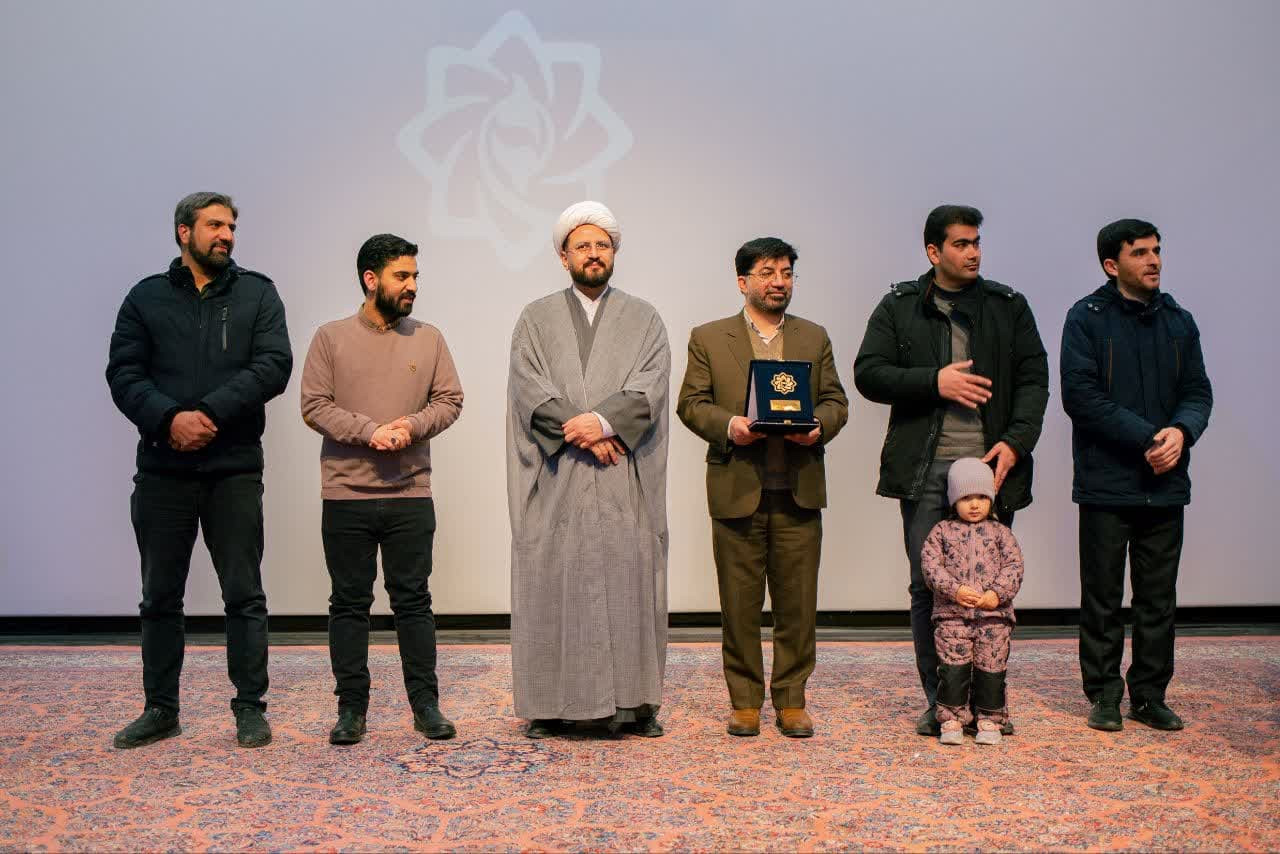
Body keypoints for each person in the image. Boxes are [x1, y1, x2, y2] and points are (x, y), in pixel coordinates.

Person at [853, 204, 1048, 737]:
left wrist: (1016, 442)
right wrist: (933, 381)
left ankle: (989, 704)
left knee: (992, 589)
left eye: (977, 242)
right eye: (961, 244)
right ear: (933, 251)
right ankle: (942, 703)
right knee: (929, 586)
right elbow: (868, 373)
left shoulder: (1008, 306)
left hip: (990, 469)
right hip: (926, 469)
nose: (974, 252)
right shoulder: (900, 305)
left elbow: (1034, 378)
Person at [106, 192, 292, 749]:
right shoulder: (145, 298)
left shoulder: (258, 293)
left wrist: (208, 414)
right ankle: (161, 709)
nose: (227, 235)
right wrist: (170, 420)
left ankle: (249, 707)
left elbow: (274, 365)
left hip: (233, 470)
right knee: (159, 597)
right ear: (183, 232)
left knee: (244, 594)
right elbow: (124, 374)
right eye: (214, 225)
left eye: (230, 226)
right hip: (163, 470)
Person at [506, 201, 671, 739]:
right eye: (582, 246)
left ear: (614, 252)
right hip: (560, 478)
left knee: (629, 580)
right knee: (552, 581)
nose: (593, 254)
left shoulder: (645, 318)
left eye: (602, 245)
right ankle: (549, 707)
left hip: (623, 477)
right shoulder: (535, 318)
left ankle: (636, 705)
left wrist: (601, 423)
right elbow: (528, 387)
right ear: (564, 256)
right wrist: (583, 429)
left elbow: (651, 384)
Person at [676, 237, 849, 738]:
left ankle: (792, 700)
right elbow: (691, 403)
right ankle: (745, 701)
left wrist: (820, 426)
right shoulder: (709, 337)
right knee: (739, 606)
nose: (779, 282)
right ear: (743, 282)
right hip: (737, 489)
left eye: (787, 273)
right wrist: (730, 426)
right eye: (768, 272)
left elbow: (836, 401)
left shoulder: (813, 337)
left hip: (798, 490)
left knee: (798, 606)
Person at [301, 233, 463, 744]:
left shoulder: (429, 339)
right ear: (371, 280)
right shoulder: (330, 338)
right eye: (402, 276)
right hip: (346, 495)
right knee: (349, 605)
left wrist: (410, 427)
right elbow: (314, 405)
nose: (412, 285)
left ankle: (425, 706)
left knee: (413, 602)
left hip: (410, 494)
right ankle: (351, 710)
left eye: (415, 276)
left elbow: (450, 400)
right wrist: (370, 431)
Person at [1061, 218, 1212, 732]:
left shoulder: (1179, 321)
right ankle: (1104, 695)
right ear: (1112, 264)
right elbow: (1082, 398)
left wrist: (1182, 433)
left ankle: (1148, 696)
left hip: (1165, 484)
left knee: (1157, 599)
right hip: (1106, 484)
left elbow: (1198, 391)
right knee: (1103, 597)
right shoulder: (1086, 319)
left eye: (1156, 250)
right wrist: (1150, 437)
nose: (1154, 261)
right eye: (1140, 253)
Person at [921, 458, 1024, 745]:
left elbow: (1014, 567)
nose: (975, 504)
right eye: (966, 498)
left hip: (994, 618)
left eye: (982, 497)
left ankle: (990, 718)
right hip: (952, 617)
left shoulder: (1001, 533)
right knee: (953, 669)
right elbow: (931, 567)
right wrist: (954, 590)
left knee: (991, 668)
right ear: (954, 500)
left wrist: (997, 594)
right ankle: (952, 718)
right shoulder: (941, 532)